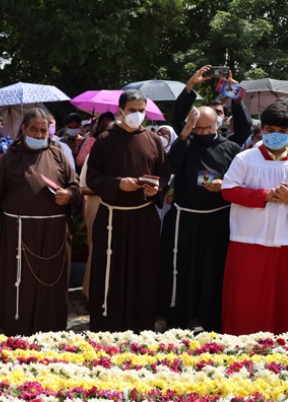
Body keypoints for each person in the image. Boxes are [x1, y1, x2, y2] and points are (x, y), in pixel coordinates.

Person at [0, 108, 81, 336]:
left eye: (43, 130)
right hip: (18, 233)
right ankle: (16, 328)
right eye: (34, 129)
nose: (38, 134)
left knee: (50, 285)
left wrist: (69, 195)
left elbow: (75, 187)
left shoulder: (58, 155)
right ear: (24, 129)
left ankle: (49, 329)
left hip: (53, 233)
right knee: (19, 285)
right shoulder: (11, 158)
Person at [86, 90, 171, 333]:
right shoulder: (104, 139)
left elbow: (164, 173)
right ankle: (106, 325)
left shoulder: (154, 140)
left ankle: (141, 325)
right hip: (112, 216)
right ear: (121, 110)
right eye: (132, 110)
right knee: (109, 270)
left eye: (141, 110)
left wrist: (156, 188)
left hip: (143, 216)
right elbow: (92, 177)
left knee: (143, 270)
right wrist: (116, 184)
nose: (137, 115)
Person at [159, 107, 240, 332]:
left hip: (218, 219)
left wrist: (224, 185)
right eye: (198, 128)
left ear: (218, 125)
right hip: (186, 218)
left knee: (214, 270)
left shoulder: (231, 148)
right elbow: (168, 167)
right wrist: (184, 135)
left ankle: (212, 320)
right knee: (181, 270)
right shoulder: (186, 144)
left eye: (208, 127)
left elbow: (240, 181)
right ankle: (178, 319)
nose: (203, 133)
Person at [221, 98, 288, 335]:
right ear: (262, 129)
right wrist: (266, 195)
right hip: (249, 240)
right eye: (271, 131)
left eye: (283, 132)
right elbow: (228, 190)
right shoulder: (245, 158)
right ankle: (243, 349)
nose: (276, 136)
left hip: (285, 241)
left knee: (283, 300)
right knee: (247, 300)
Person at [171, 65, 252, 147]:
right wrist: (190, 84)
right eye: (210, 112)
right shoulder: (191, 140)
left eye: (218, 112)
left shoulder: (231, 144)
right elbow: (177, 120)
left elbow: (244, 127)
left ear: (225, 120)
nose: (214, 115)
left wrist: (235, 93)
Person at [79, 117, 115, 300]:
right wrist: (111, 186)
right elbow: (82, 187)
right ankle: (91, 293)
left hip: (119, 208)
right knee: (98, 249)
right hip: (97, 205)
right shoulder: (92, 157)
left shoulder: (124, 157)